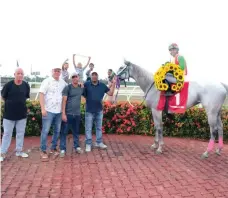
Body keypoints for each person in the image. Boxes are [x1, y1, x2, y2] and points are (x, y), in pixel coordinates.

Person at [0, 68, 30, 162]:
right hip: (9, 115)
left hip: (22, 115)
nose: (20, 75)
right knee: (7, 134)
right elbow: (3, 97)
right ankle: (2, 153)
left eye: (22, 74)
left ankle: (19, 151)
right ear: (14, 74)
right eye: (18, 73)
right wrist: (11, 104)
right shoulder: (8, 85)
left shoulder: (26, 85)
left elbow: (26, 97)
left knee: (20, 134)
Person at [83, 70, 116, 152]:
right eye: (92, 75)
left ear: (97, 76)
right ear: (91, 76)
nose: (94, 76)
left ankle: (99, 142)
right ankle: (88, 144)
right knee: (88, 128)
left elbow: (111, 93)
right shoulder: (86, 84)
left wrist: (114, 83)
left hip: (99, 110)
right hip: (89, 110)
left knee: (98, 128)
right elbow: (81, 92)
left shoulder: (102, 85)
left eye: (95, 75)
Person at [39, 66, 67, 160]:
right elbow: (41, 94)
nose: (57, 72)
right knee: (45, 131)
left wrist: (79, 84)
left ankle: (53, 148)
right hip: (48, 110)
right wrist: (43, 109)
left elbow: (69, 88)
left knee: (57, 131)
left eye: (59, 71)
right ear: (52, 71)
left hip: (58, 111)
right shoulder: (46, 81)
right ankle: (43, 150)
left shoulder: (63, 82)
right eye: (55, 70)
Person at [59, 72, 84, 157]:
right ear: (71, 78)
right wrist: (63, 113)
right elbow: (64, 101)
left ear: (78, 78)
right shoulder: (67, 88)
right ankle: (62, 149)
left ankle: (77, 147)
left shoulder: (81, 88)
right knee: (64, 132)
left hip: (77, 114)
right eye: (73, 77)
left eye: (76, 76)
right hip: (68, 114)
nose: (74, 78)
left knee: (76, 132)